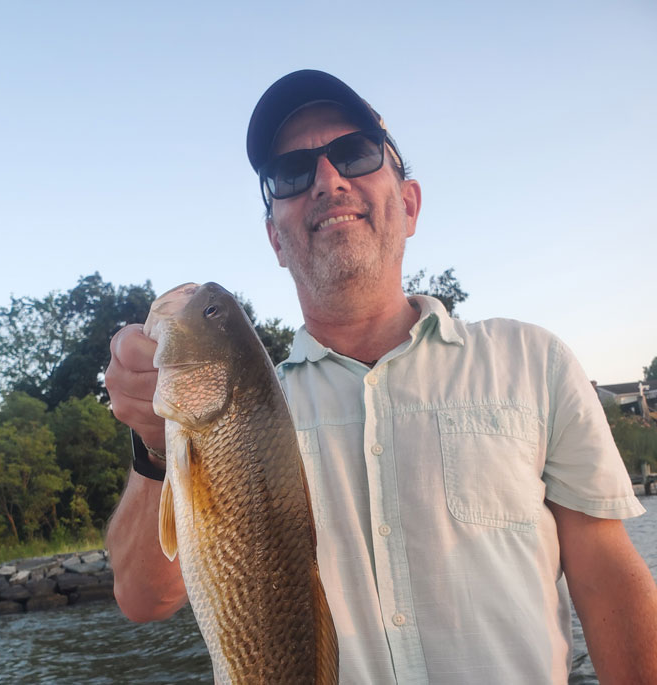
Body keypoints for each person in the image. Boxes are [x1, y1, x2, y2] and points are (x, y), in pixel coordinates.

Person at [104, 70, 657, 684]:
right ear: (275, 240)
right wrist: (155, 444)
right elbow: (142, 599)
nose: (327, 179)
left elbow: (606, 572)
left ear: (410, 203)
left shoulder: (533, 359)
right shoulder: (244, 409)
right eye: (291, 172)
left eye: (355, 154)